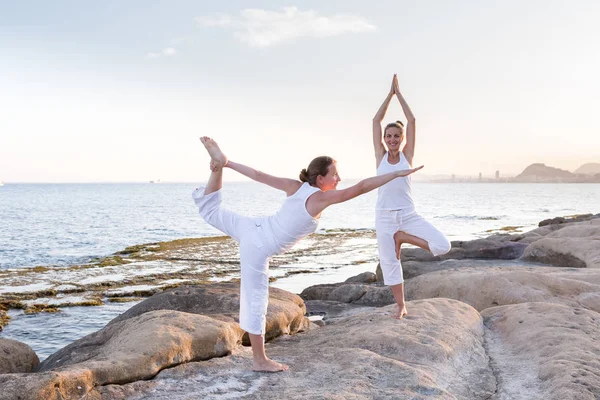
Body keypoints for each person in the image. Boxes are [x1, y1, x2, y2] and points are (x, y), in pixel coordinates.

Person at [193, 136, 422, 372]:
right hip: (259, 245)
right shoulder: (320, 198)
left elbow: (259, 175)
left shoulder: (296, 186)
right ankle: (259, 360)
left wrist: (228, 164)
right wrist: (394, 174)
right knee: (255, 298)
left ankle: (218, 166)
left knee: (211, 211)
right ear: (321, 178)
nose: (339, 179)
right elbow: (360, 187)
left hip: (252, 227)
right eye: (335, 175)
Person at [372, 74, 451, 320]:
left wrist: (400, 95)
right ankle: (401, 305)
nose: (392, 139)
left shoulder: (407, 156)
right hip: (384, 216)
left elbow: (412, 119)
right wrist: (390, 95)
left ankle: (403, 238)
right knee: (390, 264)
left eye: (397, 136)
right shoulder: (380, 157)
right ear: (384, 139)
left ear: (402, 139)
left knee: (443, 245)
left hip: (407, 214)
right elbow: (376, 120)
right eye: (389, 136)